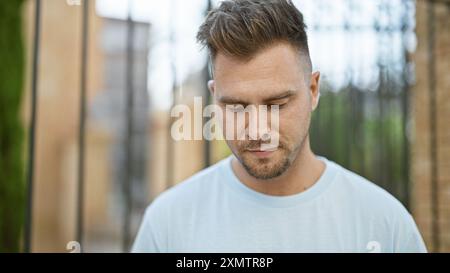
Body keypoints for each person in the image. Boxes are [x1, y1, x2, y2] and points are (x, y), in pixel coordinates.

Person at [132, 0, 426, 253]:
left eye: (276, 104)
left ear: (313, 90)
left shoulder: (384, 224)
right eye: (236, 106)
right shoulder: (168, 224)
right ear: (214, 97)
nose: (257, 130)